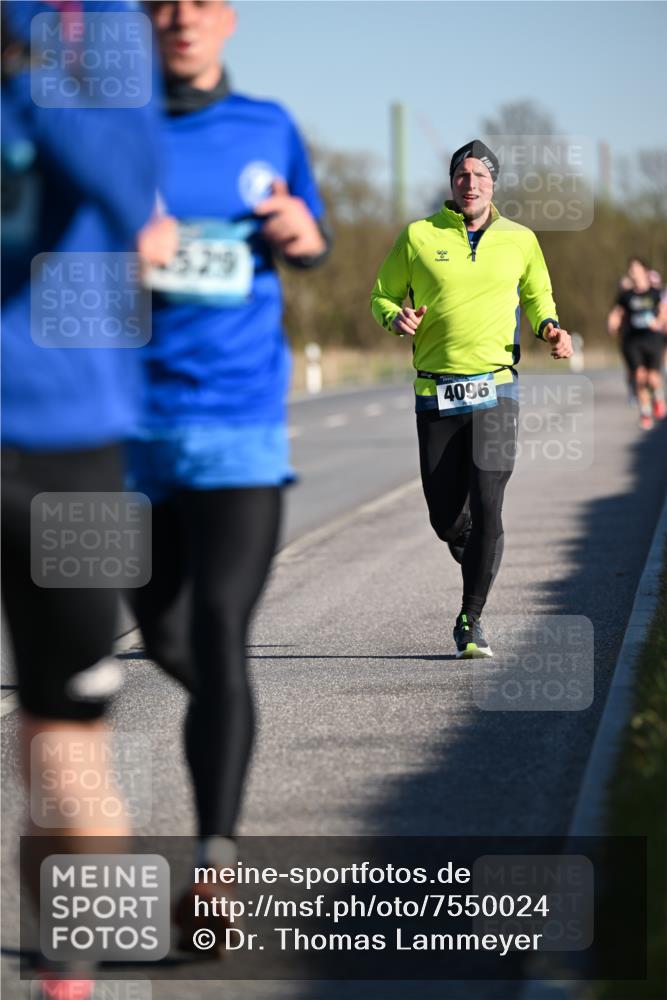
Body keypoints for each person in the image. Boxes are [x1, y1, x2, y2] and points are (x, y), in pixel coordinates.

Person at [130, 0, 330, 951]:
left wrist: (300, 229)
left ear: (227, 19)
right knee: (167, 632)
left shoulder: (269, 127)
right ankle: (230, 704)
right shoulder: (105, 132)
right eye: (160, 3)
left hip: (241, 430)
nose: (179, 18)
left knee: (218, 624)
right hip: (133, 433)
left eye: (197, 3)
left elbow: (313, 238)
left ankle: (215, 865)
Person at [1, 2, 159, 996]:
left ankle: (71, 961)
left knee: (62, 742)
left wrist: (24, 68)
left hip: (67, 438)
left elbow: (124, 182)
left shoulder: (99, 25)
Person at [370, 139, 572, 659]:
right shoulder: (418, 235)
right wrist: (395, 316)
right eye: (462, 175)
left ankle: (470, 618)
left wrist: (550, 327)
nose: (471, 183)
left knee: (488, 503)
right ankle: (478, 551)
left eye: (481, 175)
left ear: (494, 184)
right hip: (434, 390)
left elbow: (538, 295)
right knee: (445, 517)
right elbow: (382, 295)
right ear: (452, 183)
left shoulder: (521, 240)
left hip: (496, 388)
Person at [607, 256, 667, 429]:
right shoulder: (626, 295)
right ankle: (645, 412)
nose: (633, 272)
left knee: (653, 378)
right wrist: (612, 322)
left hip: (653, 338)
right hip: (633, 340)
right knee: (640, 377)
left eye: (636, 268)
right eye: (631, 269)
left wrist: (659, 322)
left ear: (644, 271)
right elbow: (617, 312)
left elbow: (663, 311)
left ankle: (658, 397)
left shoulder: (655, 292)